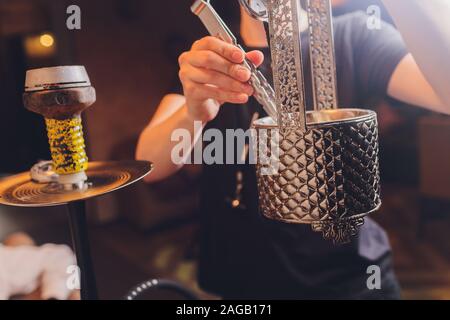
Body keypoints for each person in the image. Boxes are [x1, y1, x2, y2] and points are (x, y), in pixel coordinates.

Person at [136, 1, 449, 299]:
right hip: (247, 284)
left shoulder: (356, 36)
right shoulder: (214, 61)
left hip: (349, 283)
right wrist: (192, 112)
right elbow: (148, 164)